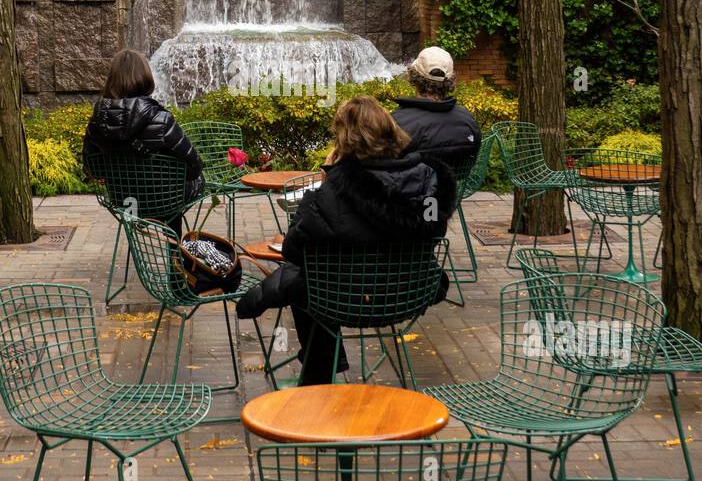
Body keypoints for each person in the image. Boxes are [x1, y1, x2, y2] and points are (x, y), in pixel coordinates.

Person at [236, 96, 456, 385]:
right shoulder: (431, 183)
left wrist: (329, 182)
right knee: (314, 280)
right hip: (409, 292)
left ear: (345, 141)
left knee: (309, 283)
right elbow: (432, 228)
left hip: (344, 300)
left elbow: (293, 251)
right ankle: (322, 370)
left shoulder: (332, 194)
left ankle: (320, 376)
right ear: (392, 130)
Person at [82, 50, 204, 205]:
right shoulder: (162, 120)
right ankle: (170, 228)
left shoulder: (97, 121)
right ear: (145, 77)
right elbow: (194, 166)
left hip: (122, 199)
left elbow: (91, 167)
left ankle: (134, 223)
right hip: (164, 200)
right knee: (197, 180)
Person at [391, 47, 481, 185]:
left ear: (413, 77)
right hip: (446, 196)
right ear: (450, 80)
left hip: (409, 201)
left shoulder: (398, 121)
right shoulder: (467, 119)